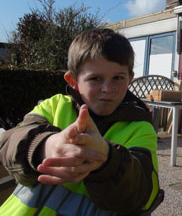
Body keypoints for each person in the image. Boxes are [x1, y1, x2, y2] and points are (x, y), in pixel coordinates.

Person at [0, 28, 162, 215]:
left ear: (130, 79)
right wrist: (44, 146)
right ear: (73, 80)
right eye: (95, 78)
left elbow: (144, 192)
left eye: (118, 78)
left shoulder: (140, 127)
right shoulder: (54, 106)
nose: (107, 89)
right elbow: (8, 143)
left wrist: (107, 161)